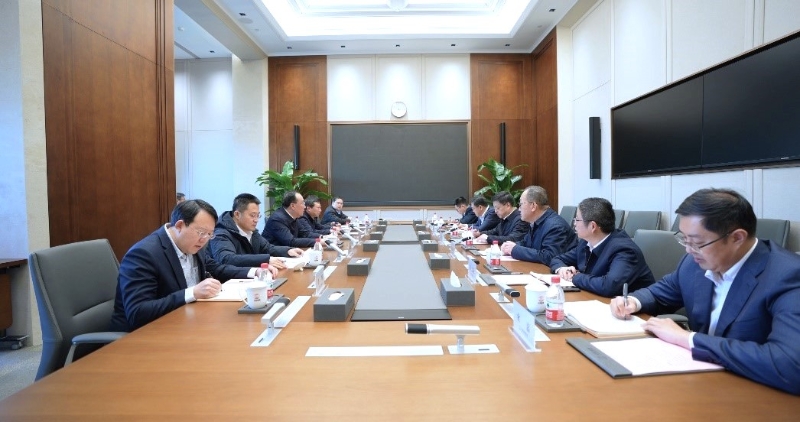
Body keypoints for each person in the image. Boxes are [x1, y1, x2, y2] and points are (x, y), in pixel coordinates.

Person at [610, 188, 800, 395]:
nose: (688, 249)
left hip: (755, 393)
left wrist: (688, 339)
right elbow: (661, 292)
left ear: (737, 238)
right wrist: (633, 301)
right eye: (684, 239)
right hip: (700, 382)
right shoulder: (693, 263)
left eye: (698, 243)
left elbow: (790, 364)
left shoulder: (788, 275)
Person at [110, 200, 268, 332]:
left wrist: (254, 272)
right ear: (179, 226)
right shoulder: (143, 254)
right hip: (146, 336)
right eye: (201, 232)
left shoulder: (193, 244)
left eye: (209, 234)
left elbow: (216, 269)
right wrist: (193, 292)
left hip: (186, 322)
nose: (204, 239)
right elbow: (138, 313)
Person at [549, 197, 654, 297]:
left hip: (630, 307)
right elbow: (557, 259)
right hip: (595, 298)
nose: (574, 223)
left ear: (593, 226)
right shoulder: (586, 242)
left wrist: (575, 277)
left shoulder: (624, 250)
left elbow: (609, 286)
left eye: (577, 219)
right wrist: (562, 269)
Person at [210, 193, 303, 269]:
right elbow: (227, 259)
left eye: (258, 215)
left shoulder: (251, 231)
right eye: (252, 215)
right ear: (237, 214)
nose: (256, 220)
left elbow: (267, 248)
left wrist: (288, 251)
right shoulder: (221, 233)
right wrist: (266, 260)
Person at [500, 186, 576, 265]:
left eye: (521, 204)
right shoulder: (536, 221)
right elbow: (527, 243)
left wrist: (515, 250)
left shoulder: (555, 226)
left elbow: (549, 256)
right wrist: (511, 246)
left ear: (533, 206)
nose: (519, 209)